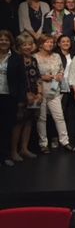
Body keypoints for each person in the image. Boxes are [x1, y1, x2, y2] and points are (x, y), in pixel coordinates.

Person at [34, 35, 75, 153]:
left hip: (54, 90)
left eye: (51, 42)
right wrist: (42, 77)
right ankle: (43, 144)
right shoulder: (35, 57)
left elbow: (61, 70)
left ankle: (65, 141)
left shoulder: (56, 56)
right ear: (41, 44)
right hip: (40, 90)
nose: (50, 44)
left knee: (59, 117)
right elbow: (31, 75)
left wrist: (59, 76)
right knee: (41, 118)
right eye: (47, 42)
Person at [11, 33, 42, 161]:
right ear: (19, 46)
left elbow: (38, 78)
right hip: (21, 96)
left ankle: (24, 149)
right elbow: (15, 81)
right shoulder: (15, 60)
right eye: (24, 44)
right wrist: (25, 95)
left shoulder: (33, 59)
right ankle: (13, 151)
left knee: (29, 122)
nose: (28, 47)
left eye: (30, 44)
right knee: (18, 123)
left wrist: (40, 93)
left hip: (34, 96)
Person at [0, 30, 26, 166]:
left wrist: (21, 101)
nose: (3, 42)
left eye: (6, 40)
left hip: (9, 97)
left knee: (6, 128)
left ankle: (4, 156)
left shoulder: (16, 57)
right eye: (1, 39)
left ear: (10, 42)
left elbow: (22, 81)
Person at [54, 34, 74, 143]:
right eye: (63, 41)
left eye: (68, 41)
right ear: (58, 44)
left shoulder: (73, 55)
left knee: (68, 113)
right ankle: (55, 137)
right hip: (58, 86)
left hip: (71, 86)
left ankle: (67, 137)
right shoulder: (55, 55)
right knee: (58, 113)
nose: (66, 43)